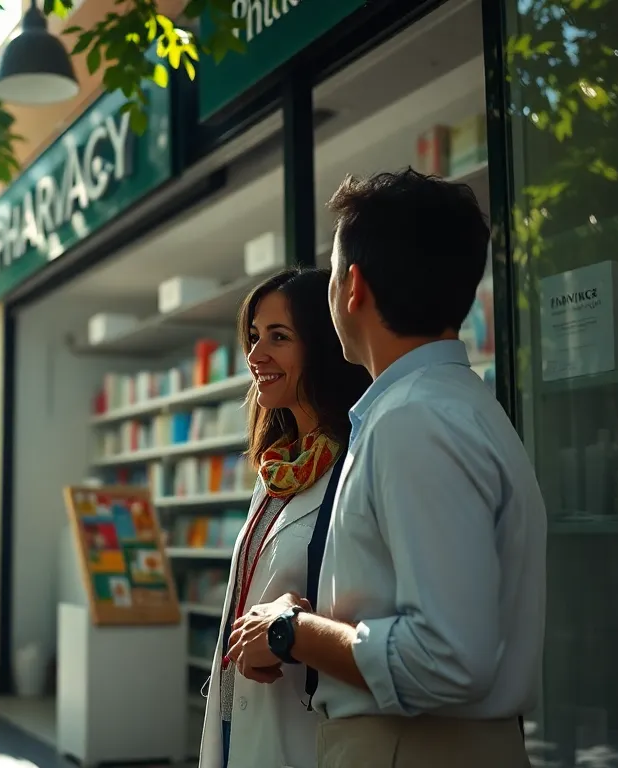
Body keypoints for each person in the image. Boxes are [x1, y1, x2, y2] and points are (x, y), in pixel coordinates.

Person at [225, 169, 547, 768]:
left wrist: (290, 629)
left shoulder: (412, 419)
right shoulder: (453, 405)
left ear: (353, 287)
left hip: (410, 745)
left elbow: (446, 659)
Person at [199, 267, 371, 768]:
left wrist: (293, 625)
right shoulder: (276, 471)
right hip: (240, 719)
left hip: (304, 731)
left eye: (279, 337)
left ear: (321, 344)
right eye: (253, 337)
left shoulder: (356, 467)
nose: (256, 355)